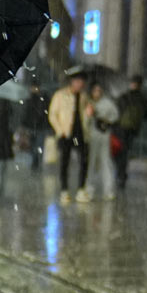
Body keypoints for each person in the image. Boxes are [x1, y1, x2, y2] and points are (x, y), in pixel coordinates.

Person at [46, 69, 89, 202]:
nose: (79, 84)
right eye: (77, 81)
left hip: (80, 134)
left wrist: (89, 113)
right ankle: (64, 190)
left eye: (81, 82)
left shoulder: (84, 96)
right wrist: (60, 131)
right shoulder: (60, 95)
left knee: (84, 161)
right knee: (64, 162)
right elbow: (52, 114)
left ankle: (81, 189)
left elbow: (87, 115)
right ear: (72, 82)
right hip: (66, 134)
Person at [85, 83, 120, 199]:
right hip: (92, 135)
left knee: (106, 162)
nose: (97, 93)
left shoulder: (107, 103)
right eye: (95, 90)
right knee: (91, 162)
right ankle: (89, 189)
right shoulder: (87, 102)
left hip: (104, 134)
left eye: (99, 90)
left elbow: (115, 116)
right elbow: (84, 120)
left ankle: (108, 190)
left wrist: (107, 120)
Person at [116, 75, 147, 190]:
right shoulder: (140, 98)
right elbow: (146, 115)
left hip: (125, 128)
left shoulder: (127, 97)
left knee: (123, 153)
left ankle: (121, 174)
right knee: (124, 152)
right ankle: (121, 174)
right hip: (128, 128)